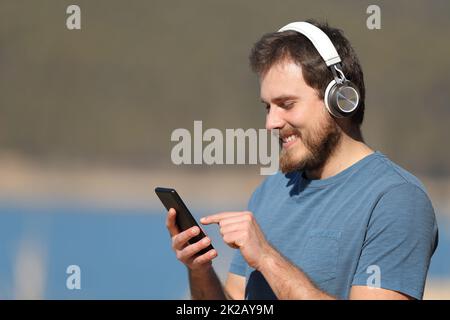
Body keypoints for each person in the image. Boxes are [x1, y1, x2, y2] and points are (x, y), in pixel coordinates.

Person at [165, 20, 438, 300]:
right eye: (267, 107)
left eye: (286, 104)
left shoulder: (397, 199)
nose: (271, 122)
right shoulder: (270, 192)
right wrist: (199, 270)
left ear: (341, 99)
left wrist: (267, 259)